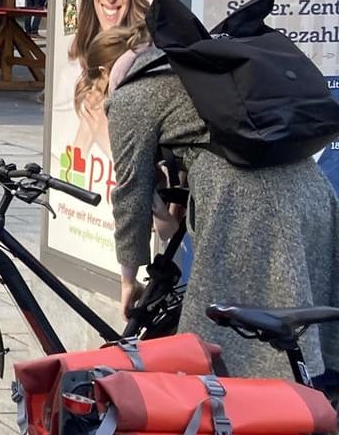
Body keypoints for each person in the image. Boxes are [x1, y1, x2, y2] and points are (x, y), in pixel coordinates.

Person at [109, 40, 339, 381]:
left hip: (248, 204)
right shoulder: (196, 74)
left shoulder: (129, 97)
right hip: (312, 189)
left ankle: (256, 422)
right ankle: (311, 412)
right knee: (302, 327)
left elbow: (129, 191)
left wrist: (128, 280)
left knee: (225, 347)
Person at [63, 0, 149, 158]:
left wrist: (104, 133)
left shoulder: (146, 63)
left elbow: (151, 182)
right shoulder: (70, 69)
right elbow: (64, 166)